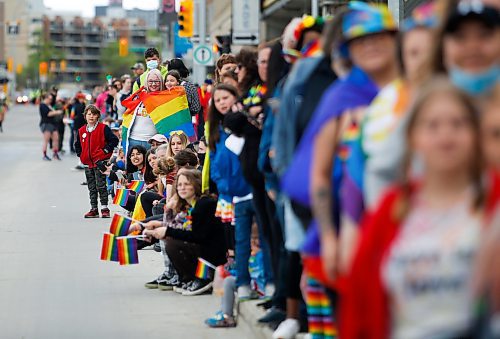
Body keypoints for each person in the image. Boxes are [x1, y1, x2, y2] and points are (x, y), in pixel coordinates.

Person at [340, 77, 500, 339]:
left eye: (458, 123)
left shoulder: (493, 198)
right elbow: (359, 299)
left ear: (476, 133)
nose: (445, 134)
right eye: (432, 125)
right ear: (413, 137)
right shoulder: (391, 207)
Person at [143, 169, 228, 296]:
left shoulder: (204, 204)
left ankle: (203, 278)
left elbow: (197, 236)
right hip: (207, 250)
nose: (182, 188)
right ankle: (189, 278)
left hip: (216, 255)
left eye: (187, 184)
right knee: (171, 238)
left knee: (173, 242)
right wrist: (158, 226)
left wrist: (166, 230)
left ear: (197, 185)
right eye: (180, 185)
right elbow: (178, 226)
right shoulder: (191, 204)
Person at [74, 104, 119, 218]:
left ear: (98, 116)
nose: (91, 117)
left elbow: (114, 140)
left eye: (94, 114)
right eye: (89, 114)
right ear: (85, 116)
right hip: (87, 163)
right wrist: (82, 155)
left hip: (100, 162)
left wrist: (105, 150)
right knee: (91, 186)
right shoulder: (81, 130)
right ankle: (94, 208)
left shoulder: (103, 128)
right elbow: (77, 145)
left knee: (101, 185)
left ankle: (104, 208)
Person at [122, 69, 165, 152]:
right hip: (133, 141)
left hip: (152, 142)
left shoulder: (164, 99)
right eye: (150, 81)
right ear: (146, 82)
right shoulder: (139, 96)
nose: (153, 84)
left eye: (157, 81)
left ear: (161, 82)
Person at [39, 93, 64, 161]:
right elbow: (48, 114)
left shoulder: (49, 105)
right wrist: (57, 112)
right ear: (46, 98)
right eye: (49, 99)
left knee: (56, 138)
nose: (50, 100)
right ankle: (44, 155)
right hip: (46, 124)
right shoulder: (42, 105)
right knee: (46, 140)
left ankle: (55, 153)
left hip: (53, 124)